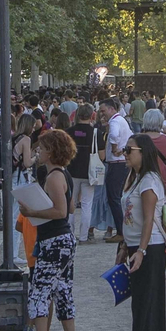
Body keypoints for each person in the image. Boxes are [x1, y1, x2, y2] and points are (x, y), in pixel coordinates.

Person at [17, 128, 80, 331]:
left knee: (40, 292)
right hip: (64, 240)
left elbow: (61, 211)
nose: (38, 152)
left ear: (52, 151)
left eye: (41, 149)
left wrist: (32, 211)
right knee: (63, 292)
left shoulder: (53, 177)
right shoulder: (64, 174)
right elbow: (71, 207)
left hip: (53, 240)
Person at [110, 134, 166, 331]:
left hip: (149, 246)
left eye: (129, 150)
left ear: (142, 152)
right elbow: (130, 218)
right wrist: (125, 245)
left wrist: (141, 251)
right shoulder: (135, 178)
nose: (124, 153)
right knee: (150, 301)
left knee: (144, 303)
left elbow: (147, 221)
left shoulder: (149, 181)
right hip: (139, 246)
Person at [98, 99, 133, 243]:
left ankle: (120, 230)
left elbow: (114, 135)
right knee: (119, 197)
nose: (102, 114)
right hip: (121, 163)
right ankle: (123, 228)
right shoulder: (121, 120)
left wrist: (113, 148)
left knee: (114, 197)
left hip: (116, 164)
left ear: (111, 109)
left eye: (103, 111)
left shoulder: (114, 122)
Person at [68, 103, 97, 241]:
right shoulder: (96, 133)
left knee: (70, 203)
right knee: (87, 204)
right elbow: (102, 155)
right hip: (89, 171)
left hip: (72, 170)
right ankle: (84, 236)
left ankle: (70, 233)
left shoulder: (69, 131)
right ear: (91, 115)